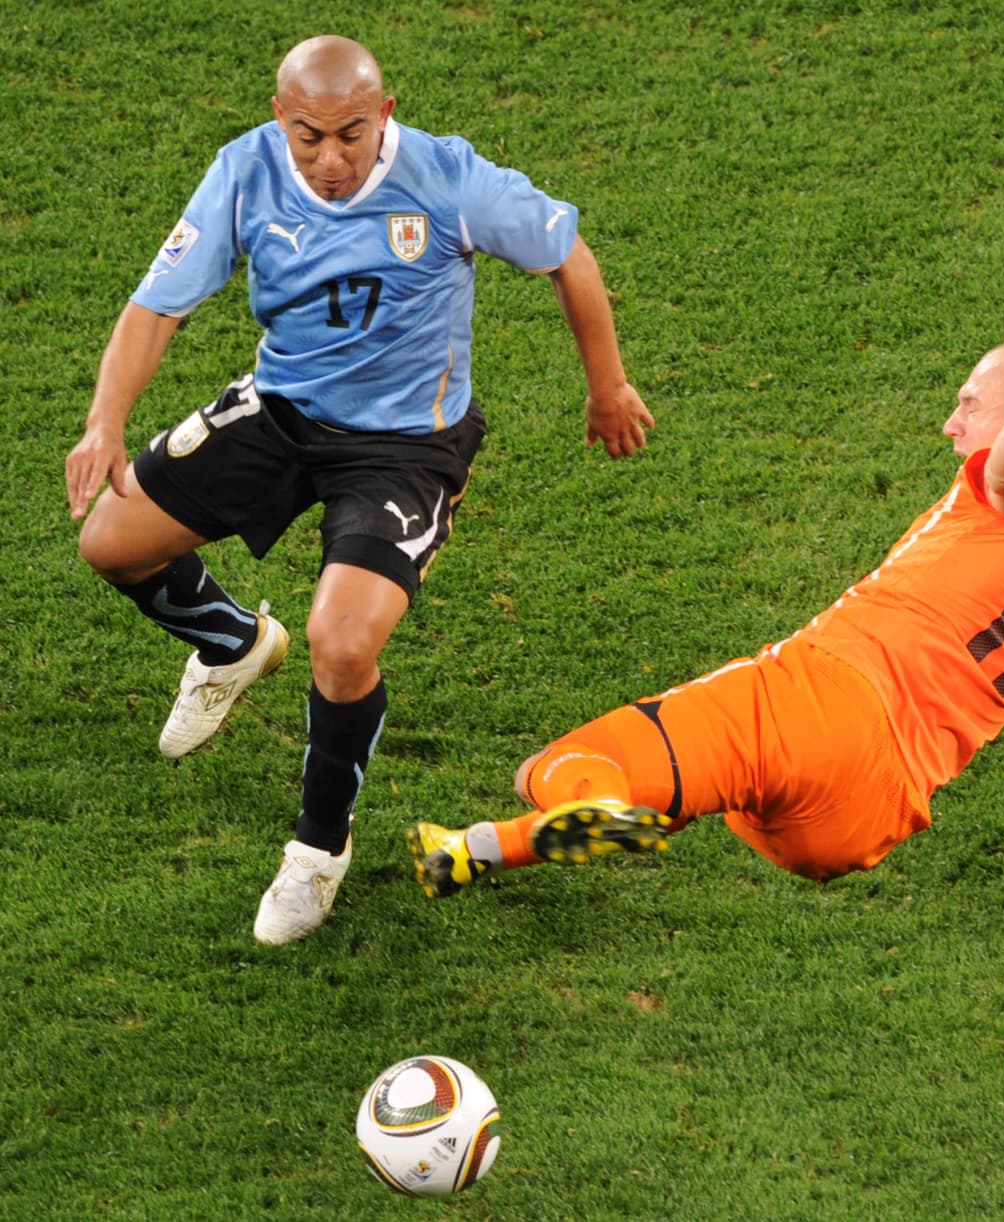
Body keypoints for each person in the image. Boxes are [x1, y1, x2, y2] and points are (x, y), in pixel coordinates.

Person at [63, 35, 654, 945]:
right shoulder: (245, 172)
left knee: (341, 644)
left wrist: (607, 387)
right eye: (309, 138)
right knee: (109, 544)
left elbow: (567, 256)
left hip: (405, 450)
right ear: (280, 120)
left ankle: (317, 849)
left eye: (350, 135)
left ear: (384, 115)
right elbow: (157, 308)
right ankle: (232, 644)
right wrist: (105, 421)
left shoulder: (448, 180)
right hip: (281, 412)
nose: (331, 160)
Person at [407, 337, 1004, 900]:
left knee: (563, 768)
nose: (951, 422)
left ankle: (591, 805)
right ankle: (467, 852)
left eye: (970, 402)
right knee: (693, 779)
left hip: (821, 704)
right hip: (863, 821)